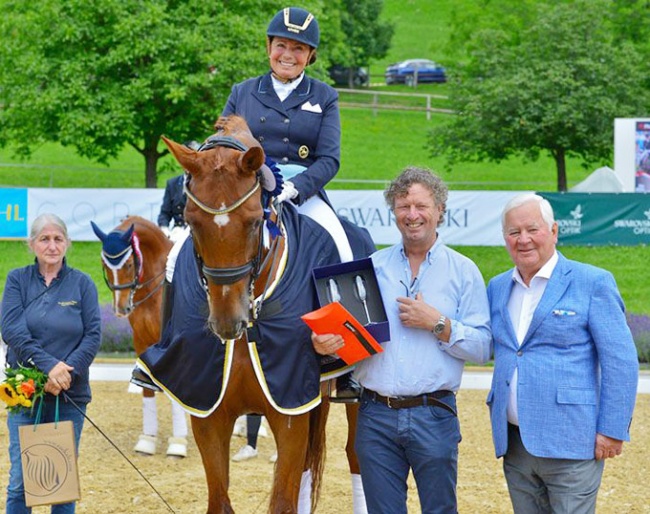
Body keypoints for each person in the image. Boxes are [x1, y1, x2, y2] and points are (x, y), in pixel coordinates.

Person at [220, 6, 359, 465]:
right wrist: (250, 183)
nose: (287, 54)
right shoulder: (243, 92)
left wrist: (294, 188)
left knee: (343, 244)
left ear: (309, 56)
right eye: (281, 45)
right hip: (249, 190)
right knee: (189, 243)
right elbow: (219, 145)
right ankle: (176, 346)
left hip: (303, 190)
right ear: (269, 48)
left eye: (297, 48)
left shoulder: (325, 96)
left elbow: (331, 158)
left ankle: (348, 359)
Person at [312, 166, 492, 514]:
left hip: (434, 414)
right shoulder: (370, 269)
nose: (412, 215)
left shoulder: (463, 271)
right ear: (393, 212)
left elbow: (483, 348)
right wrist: (326, 348)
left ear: (440, 210)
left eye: (421, 206)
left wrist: (438, 323)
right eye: (403, 206)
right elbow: (351, 343)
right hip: (375, 415)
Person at [487, 193, 639, 514]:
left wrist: (611, 430)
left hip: (572, 442)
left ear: (554, 231)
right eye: (514, 233)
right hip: (515, 444)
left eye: (533, 229)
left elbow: (620, 362)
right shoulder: (498, 287)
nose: (523, 239)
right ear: (505, 239)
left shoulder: (592, 282)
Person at [1, 213, 102, 513]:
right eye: (44, 239)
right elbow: (13, 331)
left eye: (58, 239)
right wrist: (50, 368)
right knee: (20, 482)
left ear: (68, 243)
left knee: (62, 483)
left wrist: (66, 373)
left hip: (70, 396)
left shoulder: (83, 284)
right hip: (25, 395)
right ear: (32, 244)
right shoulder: (16, 280)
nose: (52, 245)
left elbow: (93, 335)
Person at [157, 173, 187, 243]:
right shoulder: (172, 183)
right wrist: (164, 228)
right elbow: (165, 212)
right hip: (179, 231)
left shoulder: (203, 182)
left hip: (197, 232)